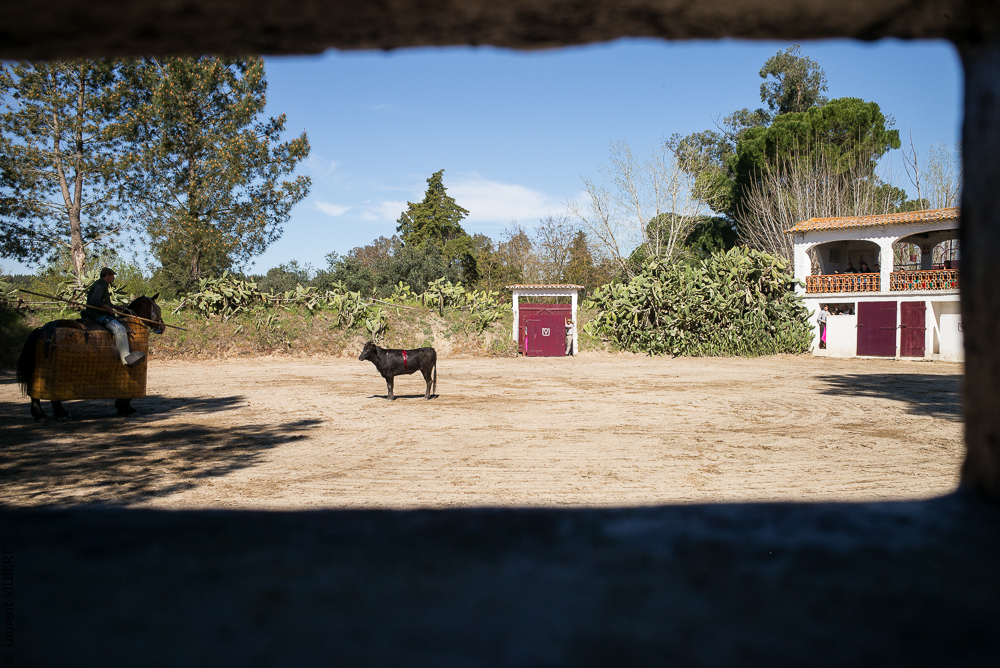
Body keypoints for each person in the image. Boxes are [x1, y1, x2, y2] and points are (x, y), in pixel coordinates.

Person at [82, 267, 145, 367]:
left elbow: (103, 301)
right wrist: (106, 307)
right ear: (107, 275)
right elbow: (94, 301)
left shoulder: (103, 285)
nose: (113, 278)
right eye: (112, 276)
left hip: (100, 313)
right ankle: (125, 357)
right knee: (119, 329)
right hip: (98, 314)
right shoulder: (100, 285)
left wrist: (114, 307)